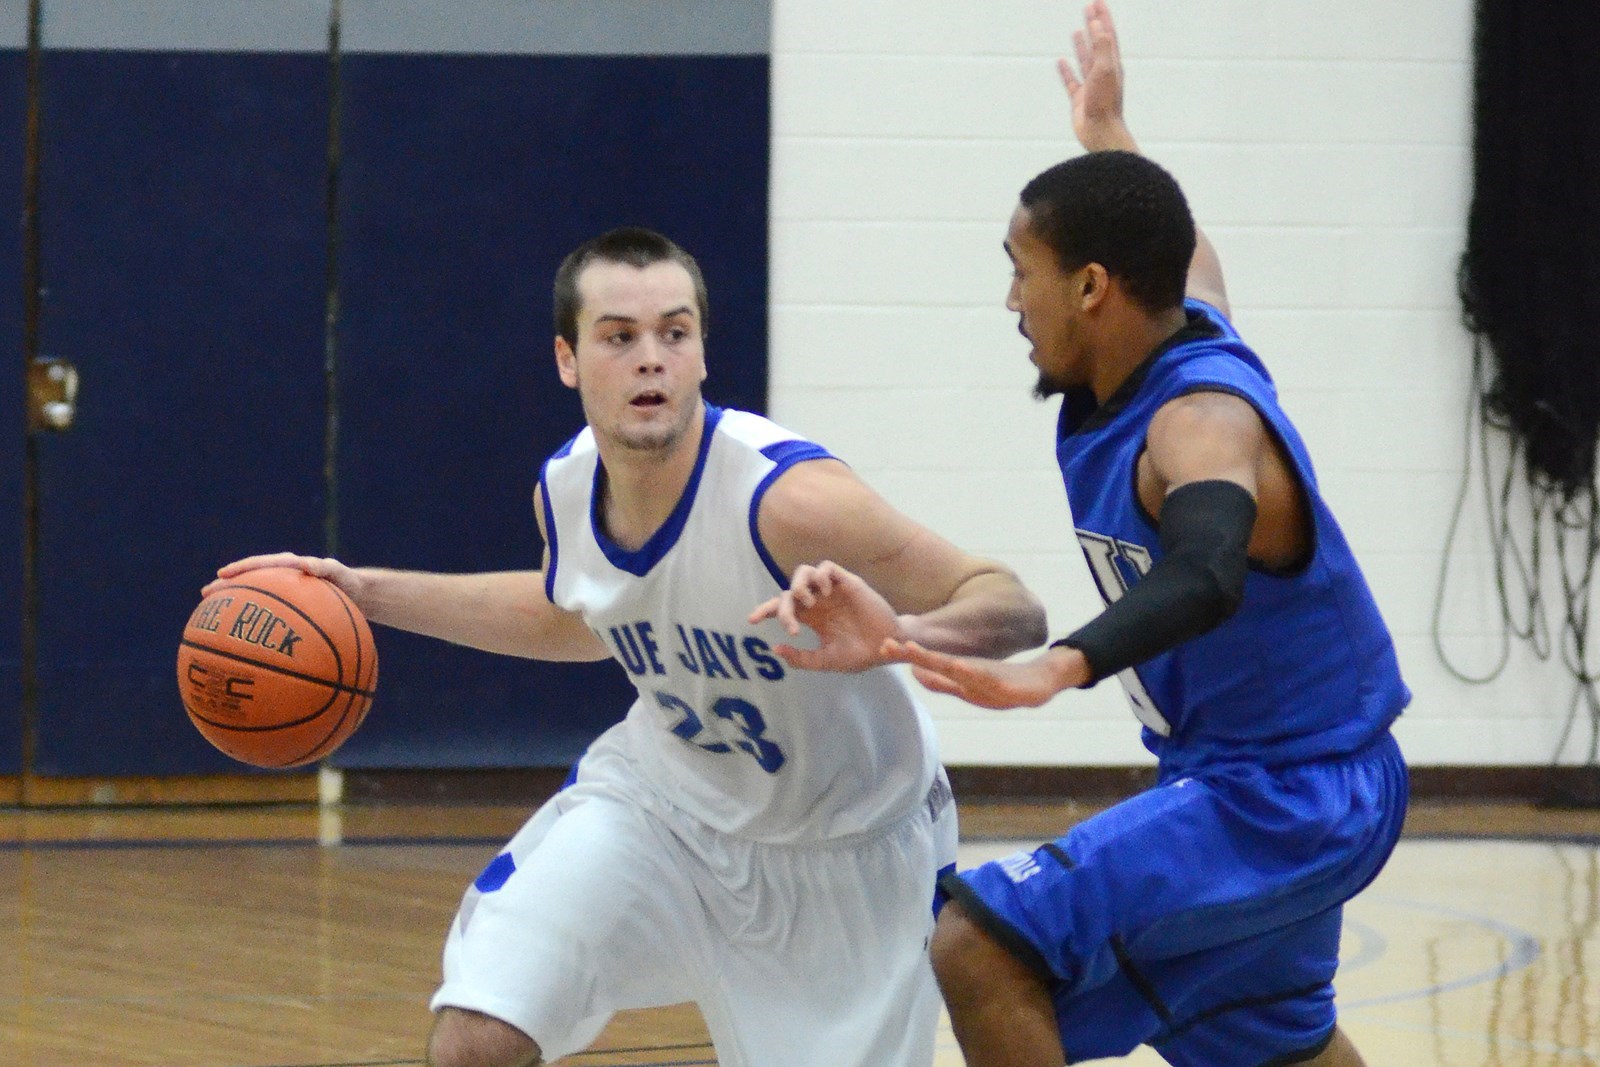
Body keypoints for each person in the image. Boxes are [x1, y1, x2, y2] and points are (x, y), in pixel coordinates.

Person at [205, 225, 1047, 1067]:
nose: (652, 359)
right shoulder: (565, 488)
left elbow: (1011, 605)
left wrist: (900, 636)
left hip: (846, 849)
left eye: (674, 333)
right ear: (569, 359)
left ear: (703, 353)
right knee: (478, 1033)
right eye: (620, 336)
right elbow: (576, 614)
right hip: (663, 810)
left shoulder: (790, 500)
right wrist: (363, 592)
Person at [878, 4, 1411, 1065]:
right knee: (1275, 1047)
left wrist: (1057, 666)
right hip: (1253, 773)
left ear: (1090, 286)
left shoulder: (1197, 420)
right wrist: (1110, 137)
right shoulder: (1185, 312)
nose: (1010, 299)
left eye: (1020, 269)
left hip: (1286, 792)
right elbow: (1185, 243)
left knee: (978, 942)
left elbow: (1208, 570)